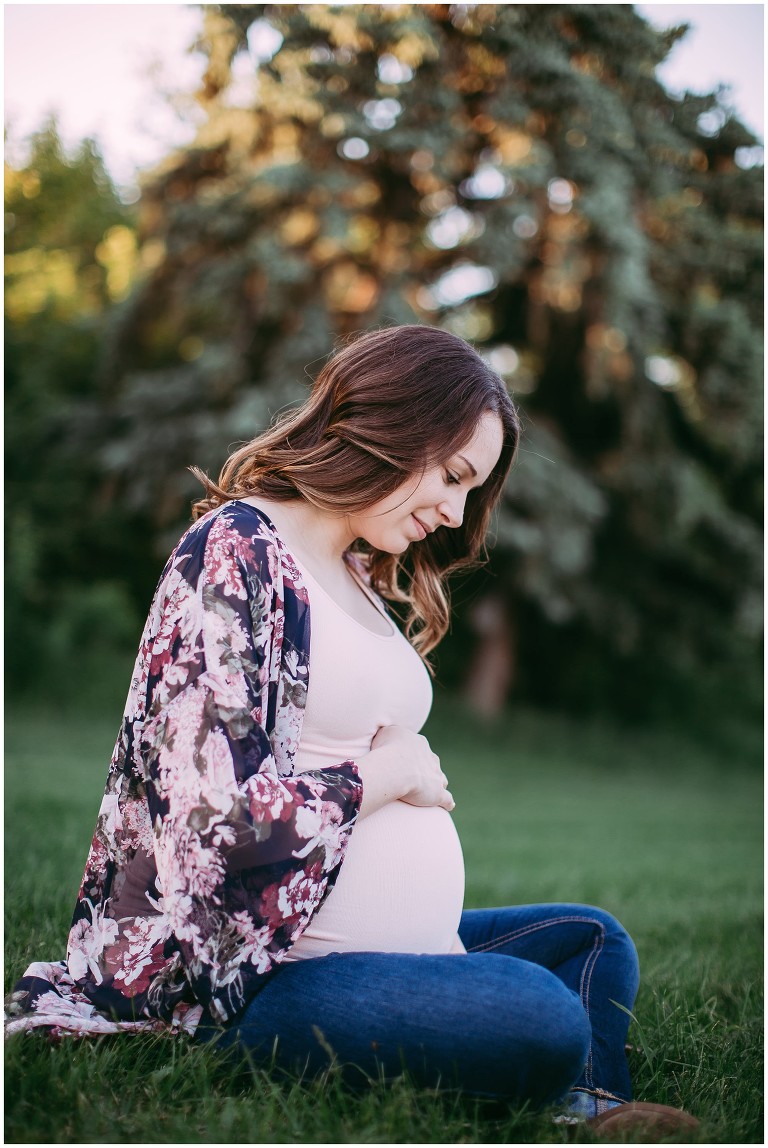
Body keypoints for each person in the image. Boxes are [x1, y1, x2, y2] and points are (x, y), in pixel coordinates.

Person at [6, 325, 696, 1135]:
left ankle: (579, 1104)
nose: (455, 510)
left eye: (472, 490)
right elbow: (209, 834)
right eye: (452, 475)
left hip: (373, 952)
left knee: (592, 941)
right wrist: (386, 778)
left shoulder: (357, 570)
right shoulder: (237, 552)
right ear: (389, 425)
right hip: (253, 972)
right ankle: (546, 1077)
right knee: (541, 1015)